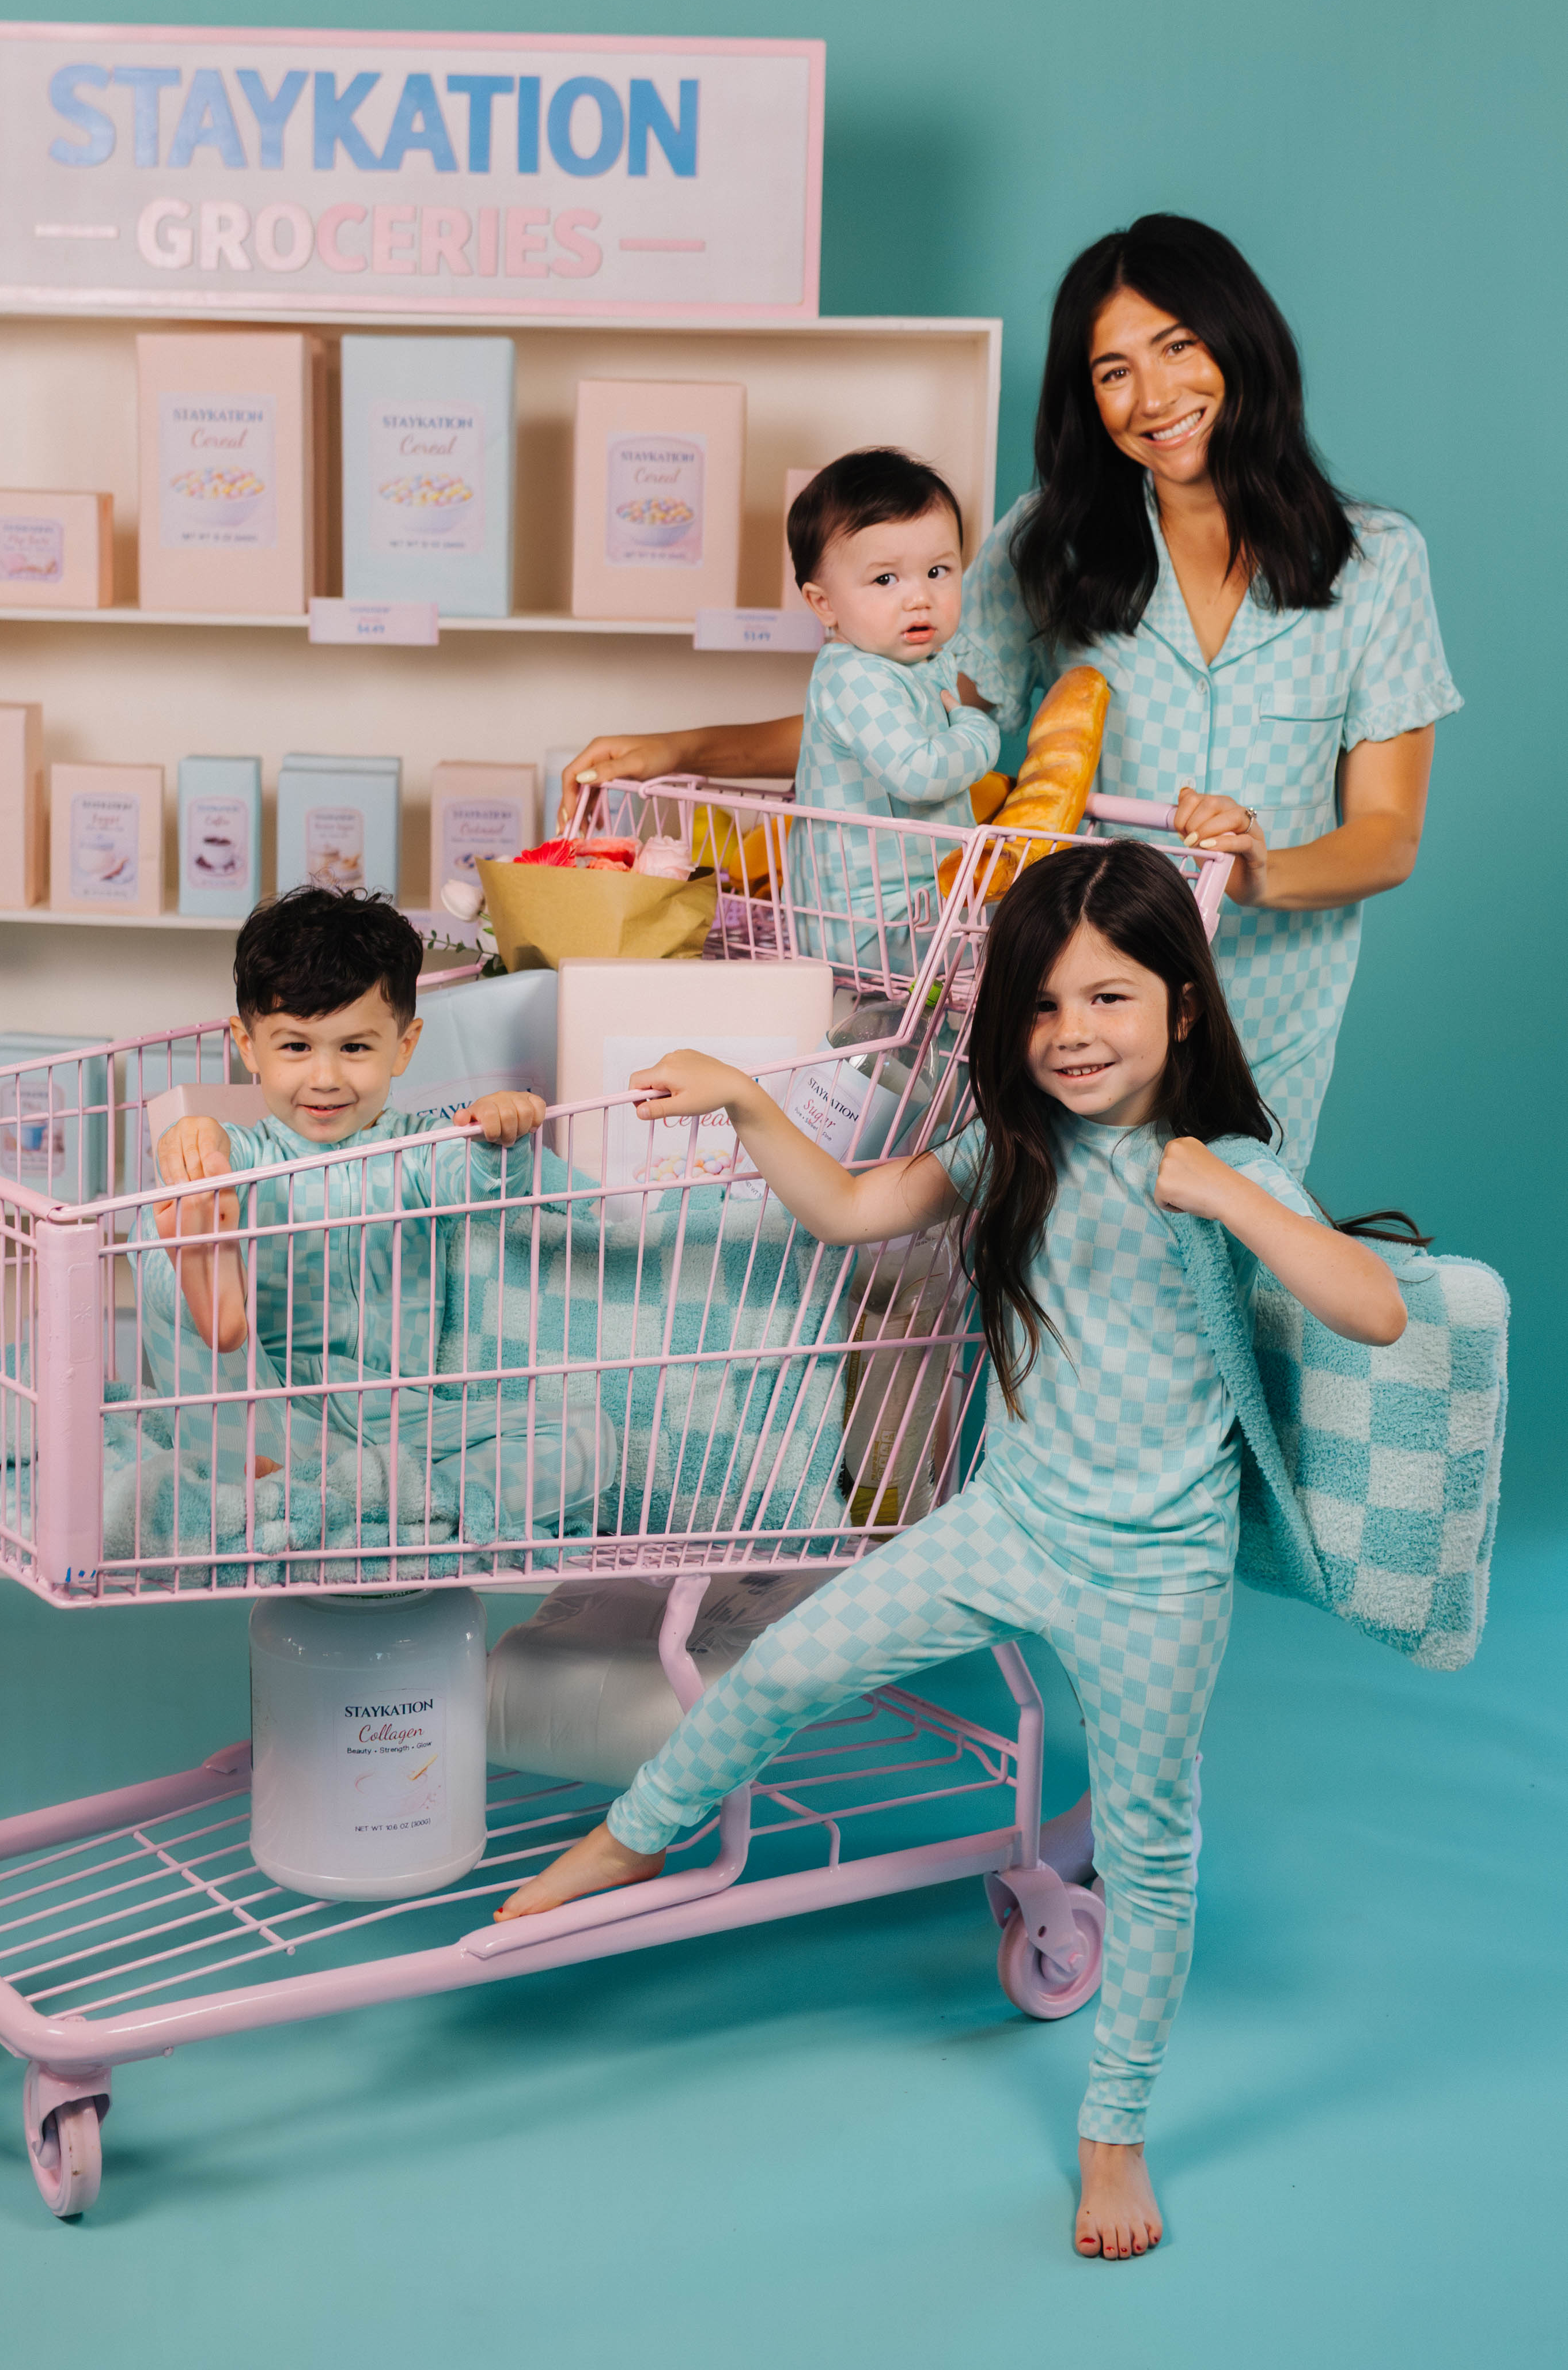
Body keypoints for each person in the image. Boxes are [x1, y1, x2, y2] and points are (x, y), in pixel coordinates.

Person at [495, 838, 1408, 2259]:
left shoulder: (1227, 1162)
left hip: (1156, 1572)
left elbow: (1375, 1309)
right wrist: (744, 1100)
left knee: (1156, 1853)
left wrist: (1235, 1198)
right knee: (790, 1660)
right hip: (1008, 1521)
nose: (1072, 1036)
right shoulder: (1013, 1149)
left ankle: (1114, 2134)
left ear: (1182, 1000)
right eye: (1042, 1008)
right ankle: (630, 1841)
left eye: (1108, 999)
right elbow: (856, 1210)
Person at [560, 214, 1461, 1174]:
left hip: (1273, 1002)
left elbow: (1386, 836)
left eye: (1178, 346)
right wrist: (681, 748)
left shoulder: (1376, 563)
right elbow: (911, 722)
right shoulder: (1052, 540)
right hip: (1075, 991)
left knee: (1229, 1262)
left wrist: (1258, 871)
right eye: (1113, 371)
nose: (1153, 396)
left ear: (1242, 343)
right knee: (1048, 1269)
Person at [141, 888, 604, 1539]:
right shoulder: (238, 1159)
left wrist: (498, 1132)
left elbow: (479, 1180)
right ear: (247, 1046)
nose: (325, 1077)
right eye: (296, 1048)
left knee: (584, 1436)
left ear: (404, 1046)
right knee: (160, 1227)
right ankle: (208, 1277)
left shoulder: (417, 1154)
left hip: (390, 1419)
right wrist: (192, 1141)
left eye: (354, 1048)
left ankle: (365, 1498)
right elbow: (202, 1147)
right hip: (264, 1396)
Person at [783, 448, 1000, 972]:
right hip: (873, 923)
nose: (919, 597)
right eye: (886, 580)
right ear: (824, 604)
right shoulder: (855, 675)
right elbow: (918, 773)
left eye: (938, 570)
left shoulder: (913, 664)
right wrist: (979, 733)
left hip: (914, 910)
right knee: (1037, 947)